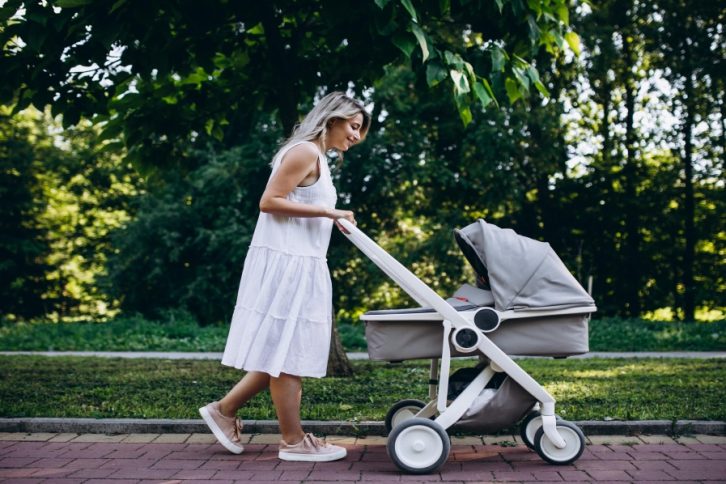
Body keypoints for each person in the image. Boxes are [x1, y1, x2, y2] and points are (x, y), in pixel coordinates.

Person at [199, 92, 371, 462]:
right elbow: (269, 201)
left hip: (302, 262)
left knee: (279, 350)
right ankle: (293, 441)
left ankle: (223, 410)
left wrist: (331, 217)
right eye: (353, 126)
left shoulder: (316, 158)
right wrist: (329, 212)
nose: (356, 136)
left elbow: (296, 204)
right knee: (289, 354)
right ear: (333, 119)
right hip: (288, 264)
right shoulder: (305, 151)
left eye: (360, 130)